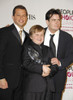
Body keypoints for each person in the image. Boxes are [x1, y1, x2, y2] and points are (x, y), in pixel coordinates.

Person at [0, 5, 29, 100]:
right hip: (6, 79)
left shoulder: (28, 36)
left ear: (26, 17)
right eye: (18, 15)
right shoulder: (4, 32)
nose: (21, 18)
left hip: (22, 81)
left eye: (24, 15)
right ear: (13, 17)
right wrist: (1, 77)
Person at [22, 25, 58, 100]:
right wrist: (41, 68)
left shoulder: (48, 49)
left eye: (42, 34)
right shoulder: (26, 47)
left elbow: (54, 65)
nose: (40, 37)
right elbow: (26, 64)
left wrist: (49, 71)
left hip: (48, 87)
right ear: (31, 36)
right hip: (33, 87)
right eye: (37, 34)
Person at [44, 8, 73, 100]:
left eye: (58, 20)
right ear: (47, 22)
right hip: (41, 76)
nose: (57, 22)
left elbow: (71, 56)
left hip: (59, 76)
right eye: (53, 20)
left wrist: (60, 62)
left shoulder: (67, 37)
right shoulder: (39, 34)